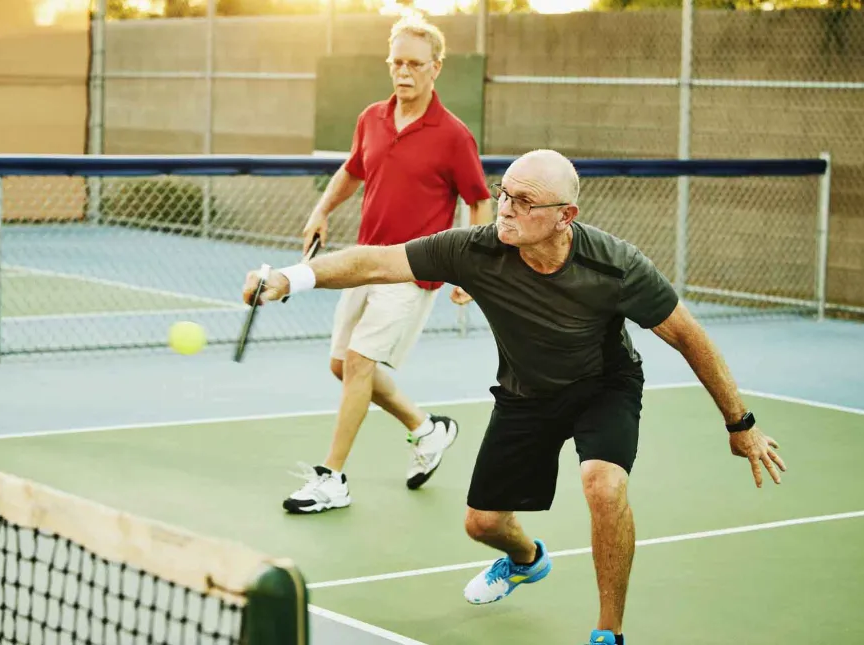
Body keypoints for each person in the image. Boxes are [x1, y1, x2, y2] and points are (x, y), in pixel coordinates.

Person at [242, 149, 787, 645]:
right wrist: (293, 278)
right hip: (525, 393)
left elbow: (689, 336)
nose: (505, 208)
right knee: (482, 524)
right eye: (505, 193)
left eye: (524, 201)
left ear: (564, 216)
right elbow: (375, 261)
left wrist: (740, 424)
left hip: (604, 387)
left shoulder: (615, 265)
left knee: (603, 483)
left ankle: (608, 634)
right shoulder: (474, 250)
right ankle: (527, 559)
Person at [284, 13, 494, 514]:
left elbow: (479, 201)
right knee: (342, 366)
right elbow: (353, 169)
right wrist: (321, 210)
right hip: (362, 260)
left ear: (435, 68)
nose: (403, 72)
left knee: (359, 363)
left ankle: (331, 478)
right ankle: (427, 429)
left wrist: (468, 268)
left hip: (412, 270)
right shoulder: (371, 117)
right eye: (396, 62)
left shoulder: (454, 135)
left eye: (415, 64)